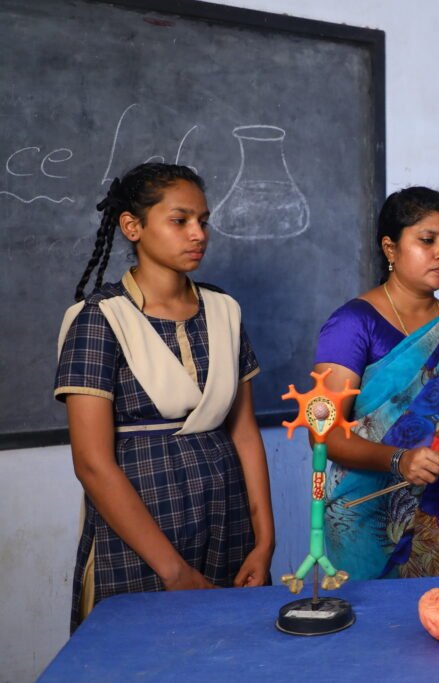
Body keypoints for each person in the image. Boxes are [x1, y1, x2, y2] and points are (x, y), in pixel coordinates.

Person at [55, 163, 275, 632]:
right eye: (180, 221)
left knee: (231, 652)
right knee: (143, 654)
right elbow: (92, 462)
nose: (197, 234)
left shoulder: (224, 310)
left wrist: (265, 540)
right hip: (142, 528)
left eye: (203, 220)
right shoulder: (99, 319)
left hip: (227, 516)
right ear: (132, 226)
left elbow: (245, 433)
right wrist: (172, 569)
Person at [313, 186, 439, 580]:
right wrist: (397, 460)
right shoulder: (352, 325)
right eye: (427, 240)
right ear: (390, 248)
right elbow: (324, 435)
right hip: (368, 525)